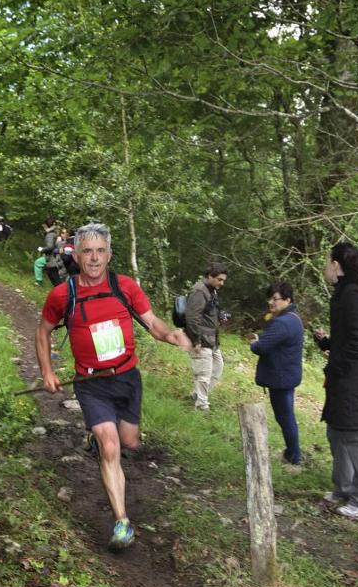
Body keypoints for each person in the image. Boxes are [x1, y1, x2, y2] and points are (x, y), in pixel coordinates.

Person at [35, 223, 192, 549]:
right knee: (110, 447)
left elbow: (152, 322)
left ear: (110, 255)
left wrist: (170, 335)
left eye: (100, 251)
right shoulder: (64, 294)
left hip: (127, 377)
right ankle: (122, 522)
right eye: (87, 251)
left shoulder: (125, 287)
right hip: (91, 383)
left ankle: (100, 438)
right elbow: (43, 331)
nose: (94, 258)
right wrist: (47, 372)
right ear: (76, 255)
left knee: (128, 441)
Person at [315, 243, 358, 519]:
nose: (324, 267)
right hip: (345, 378)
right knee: (337, 432)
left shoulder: (354, 294)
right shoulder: (345, 293)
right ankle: (343, 487)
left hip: (357, 381)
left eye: (326, 262)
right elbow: (349, 338)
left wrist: (337, 367)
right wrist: (328, 344)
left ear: (336, 264)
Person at [249, 281, 304, 468]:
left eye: (276, 299)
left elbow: (262, 346)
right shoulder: (294, 318)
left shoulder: (283, 322)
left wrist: (254, 343)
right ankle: (292, 452)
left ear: (288, 300)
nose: (271, 303)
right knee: (286, 416)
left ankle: (294, 456)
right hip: (288, 374)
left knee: (285, 417)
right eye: (269, 298)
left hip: (281, 377)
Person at [184, 263, 228, 411]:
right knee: (203, 373)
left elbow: (208, 313)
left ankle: (198, 394)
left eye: (223, 280)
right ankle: (202, 405)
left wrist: (220, 317)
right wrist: (196, 340)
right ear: (210, 276)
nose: (221, 283)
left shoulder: (211, 290)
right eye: (219, 279)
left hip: (212, 339)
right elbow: (191, 318)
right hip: (201, 340)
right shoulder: (199, 291)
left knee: (218, 367)